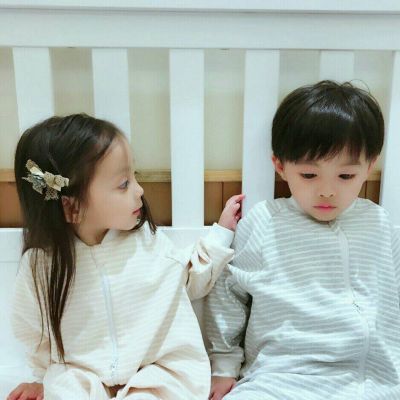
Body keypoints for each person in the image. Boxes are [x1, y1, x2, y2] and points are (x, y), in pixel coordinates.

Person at [7, 114, 244, 400]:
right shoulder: (41, 267)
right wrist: (41, 379)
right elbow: (35, 334)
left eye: (135, 176)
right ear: (71, 208)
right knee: (65, 387)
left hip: (157, 370)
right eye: (123, 184)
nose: (139, 190)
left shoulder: (145, 242)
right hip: (84, 374)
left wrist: (221, 235)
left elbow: (189, 277)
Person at [205, 80, 400, 399]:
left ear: (370, 166)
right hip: (280, 376)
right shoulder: (265, 221)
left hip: (370, 380)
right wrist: (223, 366)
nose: (327, 191)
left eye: (346, 176)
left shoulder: (378, 224)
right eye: (309, 175)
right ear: (280, 166)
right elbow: (228, 292)